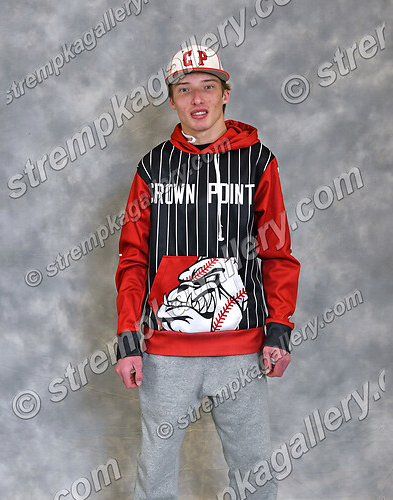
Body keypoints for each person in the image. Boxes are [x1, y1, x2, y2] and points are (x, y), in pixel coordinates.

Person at [114, 44, 300, 499]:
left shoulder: (258, 161)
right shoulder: (153, 167)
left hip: (241, 347)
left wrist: (279, 325)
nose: (197, 99)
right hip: (165, 351)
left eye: (207, 87)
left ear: (225, 95)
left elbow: (277, 251)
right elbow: (133, 257)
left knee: (254, 472)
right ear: (172, 100)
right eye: (184, 89)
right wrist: (127, 333)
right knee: (156, 473)